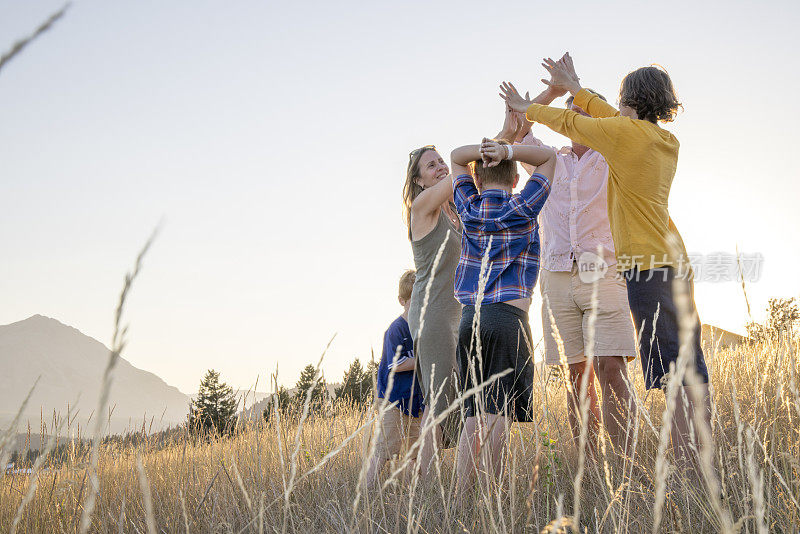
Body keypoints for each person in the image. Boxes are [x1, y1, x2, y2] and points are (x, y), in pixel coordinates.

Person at [500, 54, 712, 470]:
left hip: (630, 269)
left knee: (650, 372)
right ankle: (598, 471)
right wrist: (563, 90)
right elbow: (517, 133)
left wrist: (550, 98)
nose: (582, 112)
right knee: (588, 375)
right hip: (577, 273)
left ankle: (675, 468)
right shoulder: (603, 146)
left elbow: (585, 120)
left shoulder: (614, 146)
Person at [496, 80, 637, 455]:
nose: (578, 117)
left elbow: (628, 128)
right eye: (573, 112)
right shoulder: (548, 159)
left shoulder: (614, 156)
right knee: (577, 375)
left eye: (587, 111)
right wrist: (553, 94)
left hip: (603, 271)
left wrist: (579, 96)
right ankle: (589, 469)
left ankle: (625, 465)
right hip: (557, 276)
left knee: (611, 367)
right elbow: (519, 125)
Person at [450, 138, 556, 492]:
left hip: (469, 321)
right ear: (514, 181)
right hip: (507, 321)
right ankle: (492, 501)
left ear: (476, 179)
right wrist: (507, 150)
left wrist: (486, 151)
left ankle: (462, 499)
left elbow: (455, 158)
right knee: (497, 417)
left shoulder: (468, 206)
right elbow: (548, 158)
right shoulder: (523, 206)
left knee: (472, 416)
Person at [403, 146, 462, 477]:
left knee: (447, 399)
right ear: (419, 180)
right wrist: (501, 139)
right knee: (437, 404)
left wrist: (510, 131)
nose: (440, 166)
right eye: (432, 165)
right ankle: (426, 486)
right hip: (432, 314)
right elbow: (466, 170)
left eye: (441, 161)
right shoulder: (422, 206)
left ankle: (424, 474)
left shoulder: (451, 212)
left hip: (451, 317)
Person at [365, 269, 426, 487]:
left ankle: (414, 491)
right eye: (413, 302)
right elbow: (397, 365)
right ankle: (367, 488)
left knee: (415, 450)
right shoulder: (397, 329)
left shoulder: (423, 329)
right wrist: (425, 356)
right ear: (402, 301)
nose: (418, 307)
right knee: (385, 448)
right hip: (393, 400)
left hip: (415, 399)